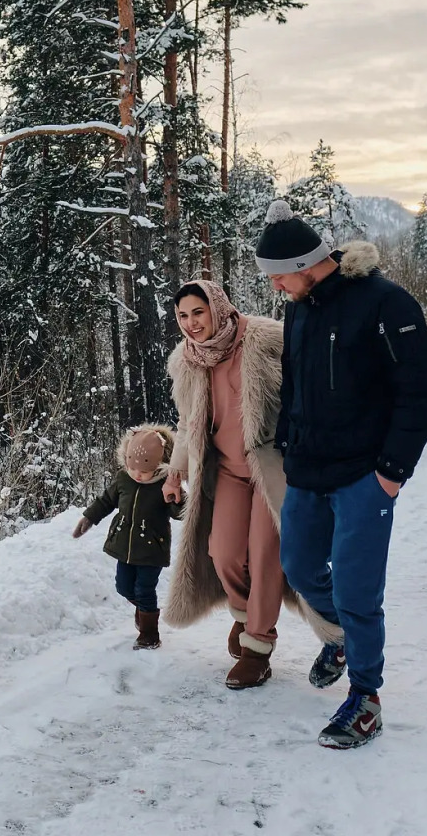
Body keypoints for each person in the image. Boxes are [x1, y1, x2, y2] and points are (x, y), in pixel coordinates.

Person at [255, 199, 427, 749]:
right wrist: (289, 440)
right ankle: (341, 638)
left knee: (359, 589)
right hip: (309, 468)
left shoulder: (386, 303)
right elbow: (295, 385)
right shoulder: (300, 308)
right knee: (302, 567)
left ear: (307, 265)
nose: (275, 289)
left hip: (365, 474)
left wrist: (392, 472)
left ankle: (365, 697)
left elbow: (420, 392)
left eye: (279, 278)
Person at [160, 279, 342, 689]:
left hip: (273, 468)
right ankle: (245, 617)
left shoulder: (265, 339)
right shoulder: (188, 360)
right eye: (183, 317)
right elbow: (189, 426)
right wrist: (175, 472)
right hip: (226, 470)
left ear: (218, 307)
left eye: (198, 312)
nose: (191, 324)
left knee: (265, 555)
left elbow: (310, 392)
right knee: (221, 553)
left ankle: (258, 647)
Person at [73, 424, 186, 650]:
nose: (137, 475)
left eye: (144, 472)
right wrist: (89, 518)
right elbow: (106, 500)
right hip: (124, 546)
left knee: (145, 590)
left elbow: (179, 514)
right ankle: (145, 612)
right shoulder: (124, 479)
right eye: (132, 468)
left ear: (160, 465)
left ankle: (149, 634)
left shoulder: (165, 485)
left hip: (152, 549)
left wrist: (179, 499)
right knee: (123, 587)